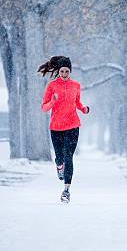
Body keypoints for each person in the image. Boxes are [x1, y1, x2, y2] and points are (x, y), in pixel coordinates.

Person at [38, 55, 90, 203]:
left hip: (73, 126)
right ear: (58, 71)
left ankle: (66, 190)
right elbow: (44, 107)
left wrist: (84, 109)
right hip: (56, 127)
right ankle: (59, 165)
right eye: (62, 71)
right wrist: (52, 102)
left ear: (70, 71)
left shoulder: (76, 86)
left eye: (67, 71)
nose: (64, 74)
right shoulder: (52, 86)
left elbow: (77, 103)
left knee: (69, 157)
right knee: (60, 157)